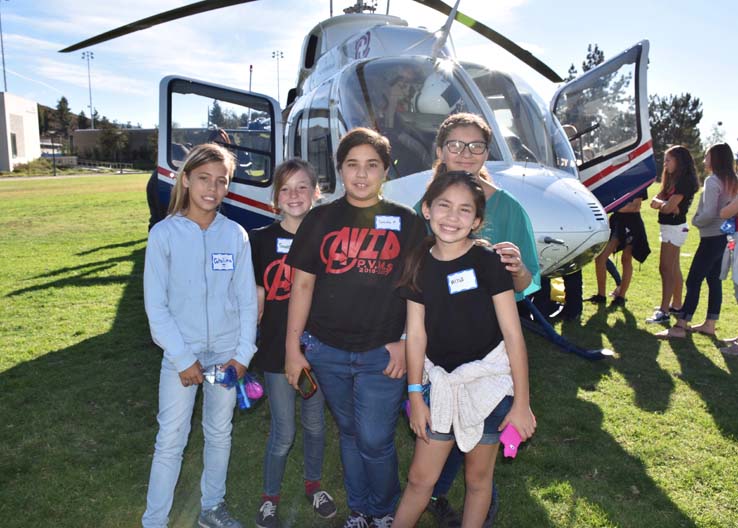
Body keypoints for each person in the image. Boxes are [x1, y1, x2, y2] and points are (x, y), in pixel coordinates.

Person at [284, 128, 426, 528]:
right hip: (326, 349)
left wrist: (402, 341)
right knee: (349, 431)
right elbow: (303, 285)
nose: (361, 175)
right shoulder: (321, 218)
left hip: (383, 352)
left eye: (371, 166)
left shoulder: (407, 221)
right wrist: (294, 349)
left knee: (375, 438)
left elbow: (417, 292)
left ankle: (384, 510)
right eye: (352, 165)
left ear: (385, 170)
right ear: (339, 169)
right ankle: (360, 509)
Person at [392, 171, 536, 527]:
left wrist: (521, 404)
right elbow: (416, 334)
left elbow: (513, 335)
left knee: (477, 480)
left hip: (488, 385)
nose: (452, 218)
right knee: (419, 480)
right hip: (438, 384)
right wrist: (416, 395)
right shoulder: (418, 261)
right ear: (427, 209)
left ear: (477, 220)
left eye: (464, 210)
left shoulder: (488, 262)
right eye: (444, 206)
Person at [141, 143, 257, 528]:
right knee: (170, 439)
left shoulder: (236, 235)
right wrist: (182, 359)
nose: (212, 188)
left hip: (226, 354)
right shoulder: (164, 234)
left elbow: (245, 302)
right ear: (186, 179)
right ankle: (155, 520)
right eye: (204, 178)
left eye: (221, 181)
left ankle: (212, 508)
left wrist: (242, 356)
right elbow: (156, 308)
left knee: (219, 433)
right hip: (181, 355)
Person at [249, 159, 336, 527]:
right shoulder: (259, 240)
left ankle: (313, 485)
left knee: (316, 425)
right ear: (275, 198)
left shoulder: (328, 239)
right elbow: (255, 298)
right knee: (283, 431)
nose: (294, 195)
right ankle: (270, 497)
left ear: (316, 192)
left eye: (303, 187)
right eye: (285, 189)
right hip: (275, 350)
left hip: (316, 350)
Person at [657, 143, 738, 338]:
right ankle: (710, 324)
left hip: (711, 237)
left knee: (694, 279)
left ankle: (681, 326)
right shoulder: (732, 180)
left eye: (707, 156)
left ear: (715, 159)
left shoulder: (712, 181)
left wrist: (696, 221)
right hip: (725, 237)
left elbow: (710, 212)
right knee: (714, 280)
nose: (704, 160)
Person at [646, 146, 700, 324]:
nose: (665, 164)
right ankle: (676, 305)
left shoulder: (685, 181)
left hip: (675, 228)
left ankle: (664, 311)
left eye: (669, 160)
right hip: (668, 226)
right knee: (674, 268)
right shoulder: (671, 180)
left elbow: (668, 207)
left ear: (679, 161)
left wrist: (665, 205)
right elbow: (656, 202)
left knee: (665, 268)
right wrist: (666, 204)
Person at [586, 188, 651, 307]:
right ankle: (601, 295)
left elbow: (635, 206)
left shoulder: (640, 178)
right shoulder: (618, 176)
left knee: (626, 259)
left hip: (632, 222)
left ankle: (621, 296)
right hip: (617, 221)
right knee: (601, 258)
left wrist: (608, 208)